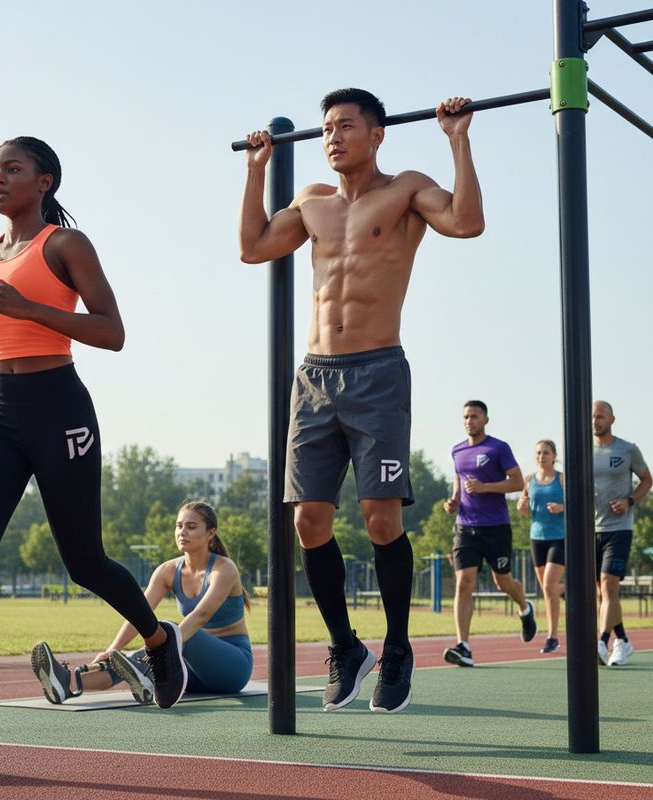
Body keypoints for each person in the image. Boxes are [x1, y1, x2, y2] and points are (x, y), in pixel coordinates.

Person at [0, 137, 185, 762]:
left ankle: (158, 640)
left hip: (59, 411)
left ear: (44, 181)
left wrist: (30, 307)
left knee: (84, 561)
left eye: (12, 169)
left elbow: (112, 332)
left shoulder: (66, 246)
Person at [239, 88, 484, 714]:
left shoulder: (405, 188)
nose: (332, 136)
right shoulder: (312, 203)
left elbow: (466, 221)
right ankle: (346, 646)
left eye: (345, 126)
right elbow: (253, 247)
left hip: (377, 372)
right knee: (307, 521)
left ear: (376, 134)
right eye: (326, 128)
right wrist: (256, 172)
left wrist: (457, 139)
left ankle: (397, 649)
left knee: (381, 517)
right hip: (315, 376)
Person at [31, 501, 253, 704]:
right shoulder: (167, 571)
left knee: (168, 634)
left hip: (231, 668)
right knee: (125, 661)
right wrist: (113, 650)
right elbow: (139, 615)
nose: (182, 532)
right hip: (188, 672)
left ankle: (144, 670)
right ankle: (68, 683)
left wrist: (155, 651)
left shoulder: (224, 569)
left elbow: (199, 616)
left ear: (210, 534)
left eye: (191, 527)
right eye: (179, 526)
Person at [443, 401, 536, 667]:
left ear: (485, 419)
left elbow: (517, 482)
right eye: (465, 417)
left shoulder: (498, 448)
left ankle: (525, 609)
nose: (469, 421)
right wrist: (453, 502)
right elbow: (458, 483)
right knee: (464, 584)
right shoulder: (457, 451)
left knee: (502, 583)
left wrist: (485, 488)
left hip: (495, 527)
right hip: (465, 528)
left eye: (474, 416)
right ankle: (464, 647)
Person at [592, 401, 652, 667]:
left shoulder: (627, 449)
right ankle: (624, 640)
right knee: (600, 592)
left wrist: (629, 500)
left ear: (611, 420)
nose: (595, 420)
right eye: (592, 416)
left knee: (608, 584)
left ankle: (603, 642)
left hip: (619, 528)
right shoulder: (582, 451)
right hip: (590, 530)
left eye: (600, 416)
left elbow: (647, 479)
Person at [517, 440, 565, 653]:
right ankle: (568, 590)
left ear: (554, 455)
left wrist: (561, 507)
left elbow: (578, 503)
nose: (541, 456)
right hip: (537, 538)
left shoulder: (562, 478)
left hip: (560, 537)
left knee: (548, 585)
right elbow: (524, 506)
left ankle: (553, 637)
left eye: (546, 453)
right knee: (548, 590)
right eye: (538, 453)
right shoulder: (529, 480)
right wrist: (522, 506)